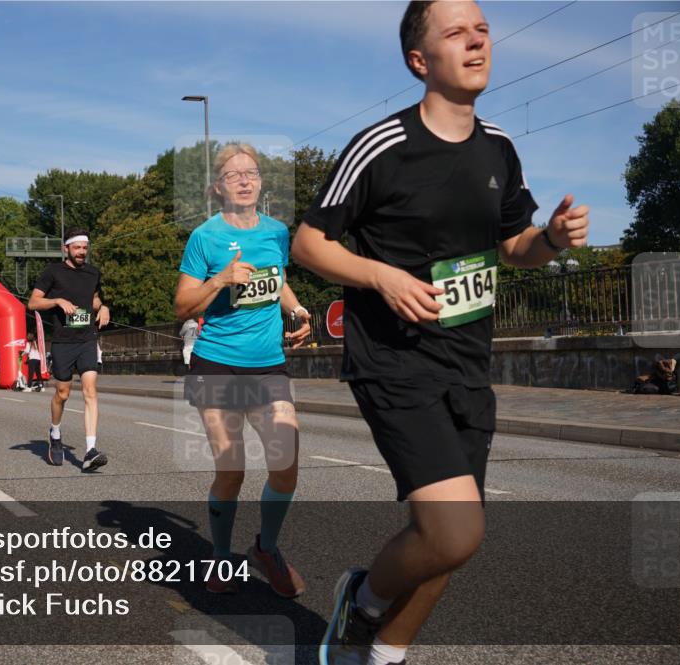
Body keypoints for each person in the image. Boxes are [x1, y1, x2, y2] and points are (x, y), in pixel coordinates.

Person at [290, 3, 591, 663]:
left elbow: (514, 245)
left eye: (482, 29)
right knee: (456, 529)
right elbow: (308, 244)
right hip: (394, 362)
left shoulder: (500, 148)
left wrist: (552, 239)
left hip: (466, 363)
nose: (477, 39)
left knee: (455, 537)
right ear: (419, 61)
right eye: (456, 32)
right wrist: (383, 277)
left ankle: (383, 650)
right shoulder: (382, 147)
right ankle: (364, 597)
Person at [174, 142, 312, 598]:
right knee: (231, 468)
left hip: (268, 364)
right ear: (219, 187)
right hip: (217, 365)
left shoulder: (276, 231)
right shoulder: (205, 238)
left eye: (251, 172)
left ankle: (266, 549)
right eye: (234, 175)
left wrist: (298, 311)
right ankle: (219, 559)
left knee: (286, 461)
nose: (245, 179)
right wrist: (219, 280)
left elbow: (280, 281)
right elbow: (181, 306)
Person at [28, 227, 110, 471]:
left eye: (85, 248)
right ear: (66, 249)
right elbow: (33, 301)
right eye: (77, 248)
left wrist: (103, 307)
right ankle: (55, 432)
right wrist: (57, 301)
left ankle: (90, 451)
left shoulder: (93, 273)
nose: (82, 252)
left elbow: (94, 298)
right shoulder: (53, 272)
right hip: (63, 342)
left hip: (87, 339)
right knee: (62, 393)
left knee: (90, 391)